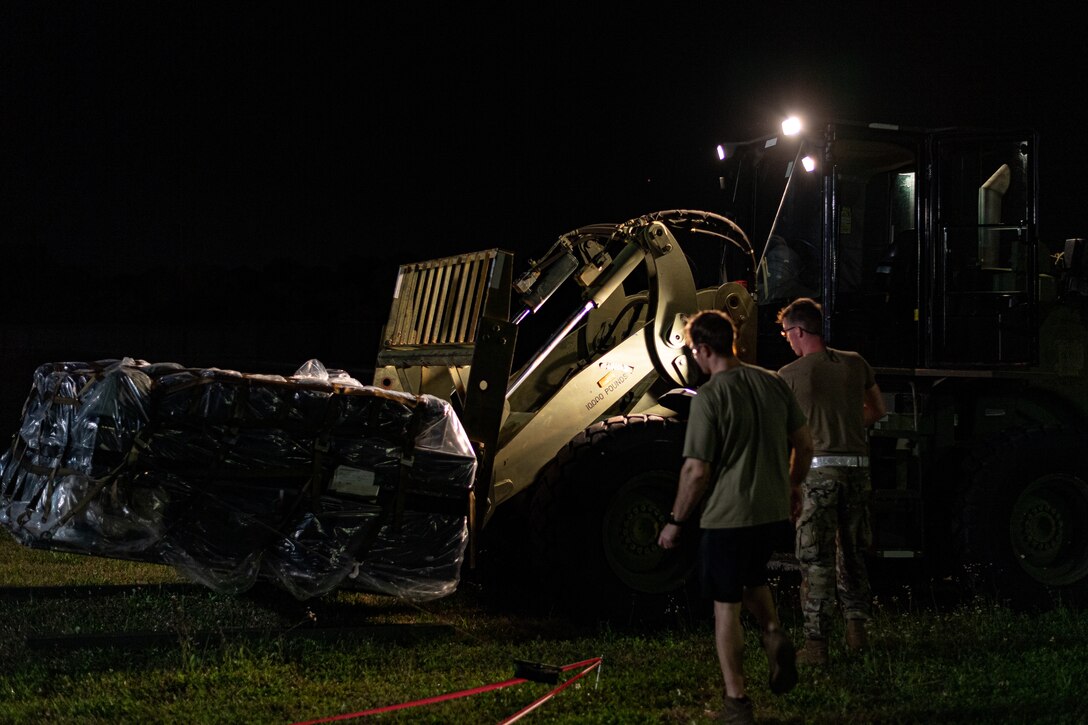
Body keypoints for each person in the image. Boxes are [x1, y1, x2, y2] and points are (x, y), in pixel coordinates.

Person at [659, 309, 813, 724]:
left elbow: (696, 470)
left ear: (704, 349)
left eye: (693, 351)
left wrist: (675, 521)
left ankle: (736, 702)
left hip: (727, 517)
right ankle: (774, 634)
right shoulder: (773, 382)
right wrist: (793, 486)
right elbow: (804, 443)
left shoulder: (711, 395)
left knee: (724, 607)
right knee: (752, 578)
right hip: (771, 513)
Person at [777, 297, 886, 666]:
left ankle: (816, 645)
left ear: (799, 331)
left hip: (819, 473)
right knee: (853, 554)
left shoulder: (790, 374)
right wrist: (849, 426)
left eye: (786, 333)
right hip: (857, 471)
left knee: (815, 560)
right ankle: (857, 634)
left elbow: (787, 432)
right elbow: (877, 410)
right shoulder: (857, 364)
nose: (786, 340)